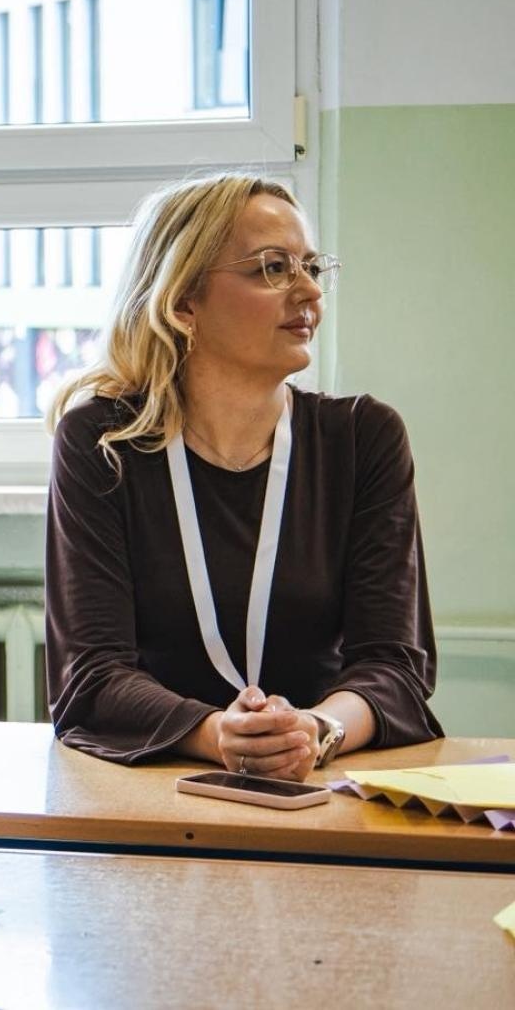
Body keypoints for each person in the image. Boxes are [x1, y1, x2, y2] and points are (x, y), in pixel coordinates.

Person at [44, 173, 441, 781]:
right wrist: (218, 737)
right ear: (182, 302)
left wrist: (314, 730)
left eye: (311, 266)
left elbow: (394, 667)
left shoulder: (364, 437)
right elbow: (91, 676)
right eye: (272, 268)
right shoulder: (101, 443)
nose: (308, 290)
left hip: (323, 787)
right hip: (153, 794)